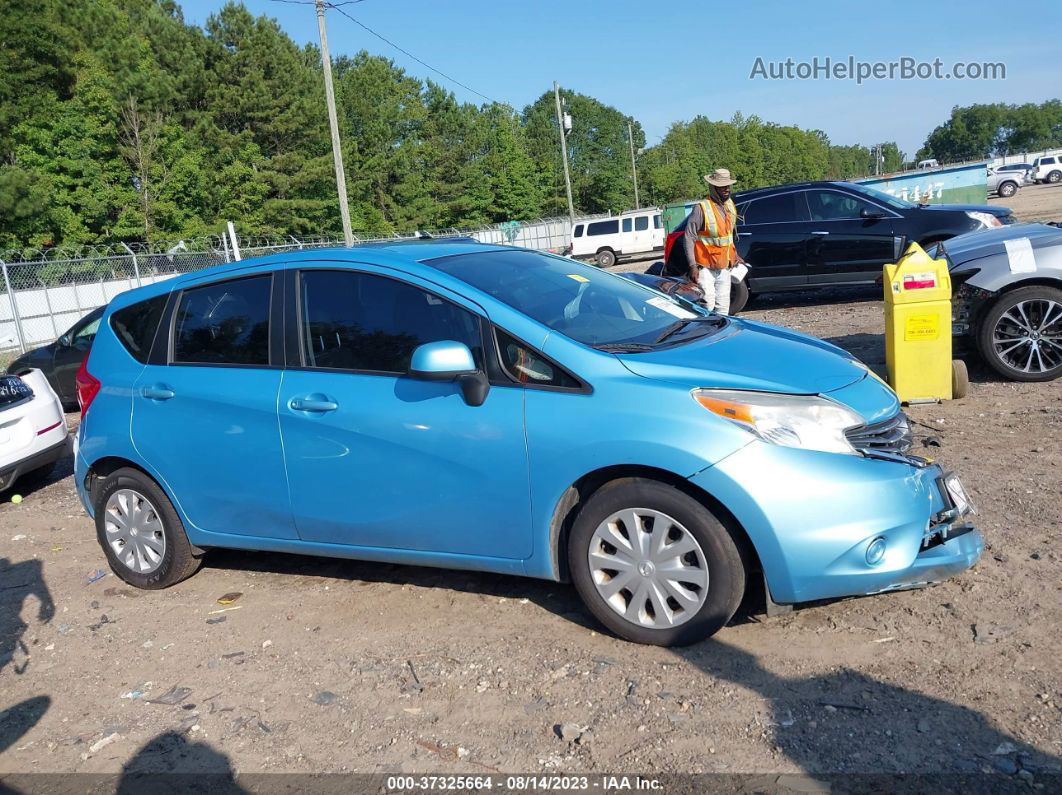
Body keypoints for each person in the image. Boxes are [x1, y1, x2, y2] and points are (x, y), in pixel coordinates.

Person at [682, 168, 746, 314]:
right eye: (722, 187)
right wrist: (692, 266)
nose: (726, 189)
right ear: (713, 187)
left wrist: (735, 256)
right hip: (704, 267)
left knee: (723, 307)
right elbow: (689, 236)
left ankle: (720, 335)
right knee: (707, 305)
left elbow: (727, 236)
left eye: (728, 186)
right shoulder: (701, 208)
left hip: (724, 266)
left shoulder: (730, 206)